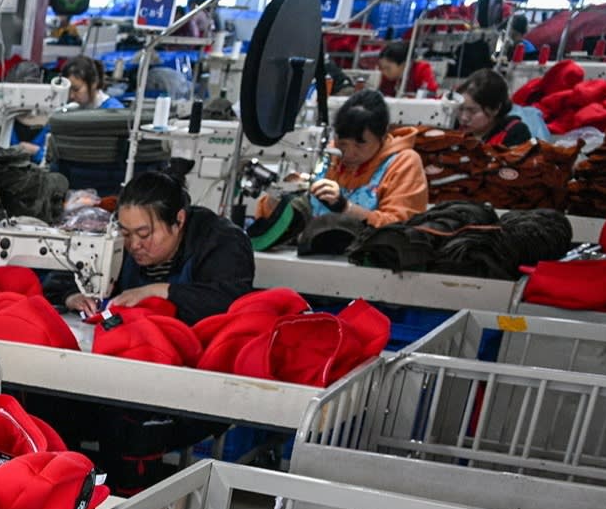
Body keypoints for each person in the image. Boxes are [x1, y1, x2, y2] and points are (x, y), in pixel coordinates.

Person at [100, 171, 253, 322]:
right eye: (126, 233)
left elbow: (228, 302)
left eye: (144, 234)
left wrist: (156, 291)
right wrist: (77, 296)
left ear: (179, 221)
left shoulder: (222, 242)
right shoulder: (119, 243)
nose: (133, 245)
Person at [265, 89, 426, 229]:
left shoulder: (403, 163)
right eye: (342, 143)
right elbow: (270, 215)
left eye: (360, 145)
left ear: (382, 136)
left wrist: (346, 208)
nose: (348, 153)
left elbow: (401, 227)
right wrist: (278, 200)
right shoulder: (326, 154)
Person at [455, 67, 540, 146]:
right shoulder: (456, 129)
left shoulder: (515, 133)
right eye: (460, 108)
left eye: (472, 111)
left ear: (495, 109)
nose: (463, 118)